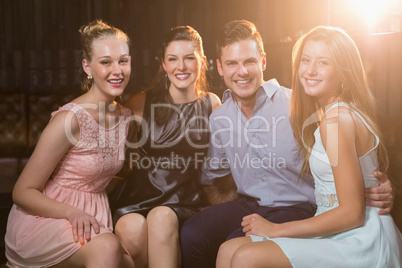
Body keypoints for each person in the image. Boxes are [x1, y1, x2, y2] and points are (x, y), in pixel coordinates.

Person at [180, 20, 396, 268]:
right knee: (195, 234)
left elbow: (355, 171)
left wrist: (383, 186)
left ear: (262, 61)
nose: (241, 72)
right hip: (251, 203)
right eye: (305, 61)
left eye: (249, 62)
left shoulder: (300, 106)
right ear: (219, 67)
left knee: (237, 251)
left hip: (301, 208)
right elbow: (213, 176)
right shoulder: (221, 118)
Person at [4, 20, 134, 268]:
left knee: (130, 258)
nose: (117, 70)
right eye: (106, 62)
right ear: (87, 67)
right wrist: (72, 213)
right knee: (108, 248)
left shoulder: (126, 116)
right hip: (47, 218)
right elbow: (22, 192)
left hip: (94, 214)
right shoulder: (70, 119)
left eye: (123, 61)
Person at [108, 25, 221, 268]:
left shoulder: (212, 104)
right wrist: (74, 115)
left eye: (189, 58)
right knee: (131, 227)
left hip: (187, 202)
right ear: (164, 64)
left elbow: (222, 161)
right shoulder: (140, 102)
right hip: (138, 200)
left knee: (161, 216)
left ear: (202, 61)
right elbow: (108, 147)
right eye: (173, 59)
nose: (181, 67)